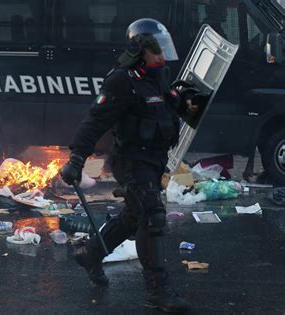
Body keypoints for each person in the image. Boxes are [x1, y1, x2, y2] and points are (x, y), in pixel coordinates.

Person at [60, 18, 199, 313]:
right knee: (152, 217)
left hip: (155, 159)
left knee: (134, 217)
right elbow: (95, 121)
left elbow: (169, 101)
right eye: (157, 51)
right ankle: (157, 292)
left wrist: (186, 103)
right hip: (132, 162)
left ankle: (92, 254)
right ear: (138, 50)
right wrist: (76, 159)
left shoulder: (160, 74)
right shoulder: (121, 81)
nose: (163, 57)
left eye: (164, 51)